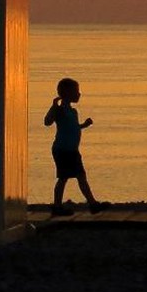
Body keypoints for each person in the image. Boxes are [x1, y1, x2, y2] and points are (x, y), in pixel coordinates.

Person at [44, 77, 109, 216]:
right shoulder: (60, 110)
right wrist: (54, 106)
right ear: (67, 93)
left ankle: (92, 204)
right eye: (76, 91)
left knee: (80, 176)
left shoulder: (73, 112)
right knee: (63, 178)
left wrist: (84, 125)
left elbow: (73, 128)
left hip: (72, 150)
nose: (79, 94)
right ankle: (58, 207)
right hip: (62, 150)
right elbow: (47, 122)